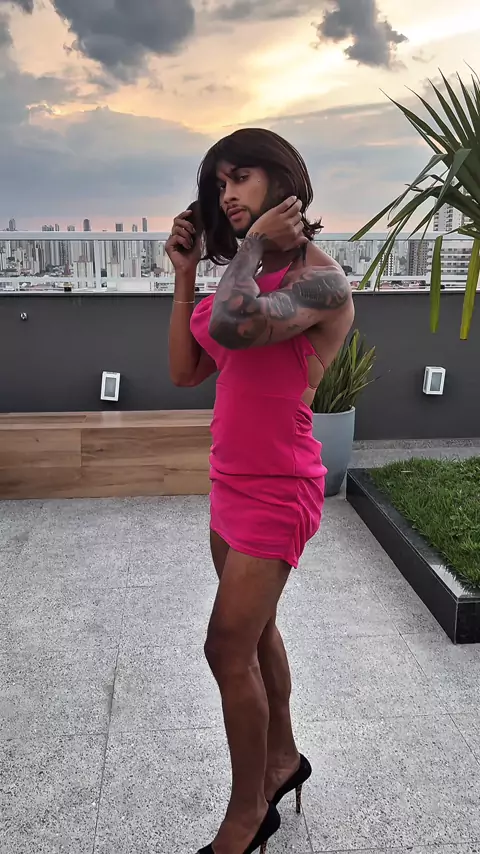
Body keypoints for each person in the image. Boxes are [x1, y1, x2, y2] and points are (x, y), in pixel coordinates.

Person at [167, 128, 354, 854]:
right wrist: (187, 274)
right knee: (257, 632)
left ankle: (249, 815)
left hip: (279, 488)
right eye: (219, 184)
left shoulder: (321, 283)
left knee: (224, 648)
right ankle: (283, 760)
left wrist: (243, 252)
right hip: (230, 479)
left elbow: (238, 326)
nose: (227, 195)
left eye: (240, 177)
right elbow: (187, 370)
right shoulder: (239, 273)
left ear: (283, 182)